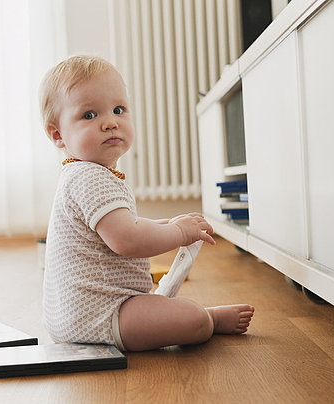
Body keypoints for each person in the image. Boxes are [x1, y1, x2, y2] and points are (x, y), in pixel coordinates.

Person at [39, 55, 254, 352]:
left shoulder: (85, 173)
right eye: (89, 115)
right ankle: (210, 319)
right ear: (58, 134)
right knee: (194, 321)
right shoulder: (90, 177)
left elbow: (127, 227)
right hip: (102, 314)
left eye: (118, 110)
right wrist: (179, 233)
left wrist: (169, 224)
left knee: (167, 311)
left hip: (85, 312)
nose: (110, 122)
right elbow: (127, 239)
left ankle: (199, 315)